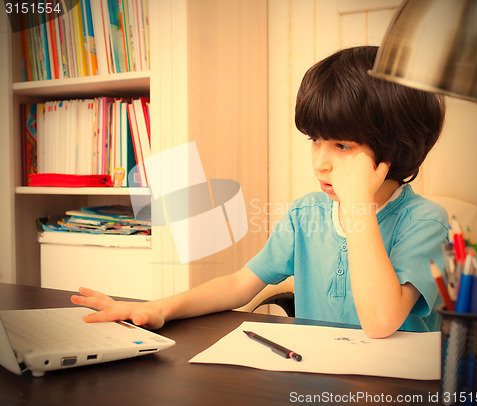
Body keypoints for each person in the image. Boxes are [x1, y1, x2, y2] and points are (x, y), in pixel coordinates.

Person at [71, 46, 448, 339]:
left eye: (342, 147)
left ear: (393, 149)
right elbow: (239, 284)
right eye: (315, 140)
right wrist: (161, 308)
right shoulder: (306, 213)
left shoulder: (425, 222)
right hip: (314, 375)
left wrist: (359, 209)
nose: (320, 162)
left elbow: (381, 320)